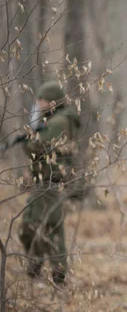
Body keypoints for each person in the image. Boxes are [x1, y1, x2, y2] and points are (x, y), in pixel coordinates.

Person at [19, 81, 81, 285]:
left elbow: (37, 146)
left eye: (43, 100)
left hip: (52, 181)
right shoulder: (54, 120)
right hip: (46, 181)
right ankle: (41, 269)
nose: (39, 103)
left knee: (45, 227)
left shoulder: (59, 122)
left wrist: (29, 138)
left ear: (53, 102)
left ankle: (54, 275)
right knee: (36, 224)